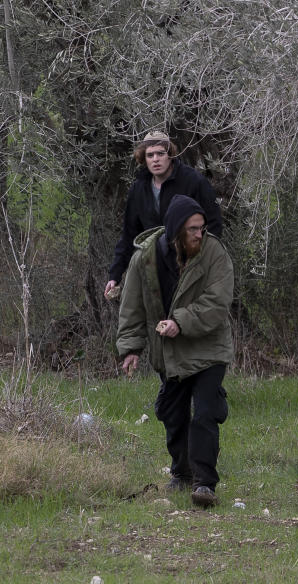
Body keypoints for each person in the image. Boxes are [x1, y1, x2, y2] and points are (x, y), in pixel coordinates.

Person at [116, 194, 234, 508]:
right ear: (176, 231)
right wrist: (131, 349)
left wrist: (180, 321)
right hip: (168, 351)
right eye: (193, 229)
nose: (200, 234)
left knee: (206, 413)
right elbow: (132, 307)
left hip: (209, 346)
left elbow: (218, 303)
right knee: (173, 414)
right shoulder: (145, 258)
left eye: (202, 227)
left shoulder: (214, 253)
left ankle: (205, 484)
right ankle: (181, 473)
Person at [104, 130, 223, 300]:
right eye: (150, 155)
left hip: (190, 264)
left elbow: (214, 226)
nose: (155, 159)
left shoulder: (193, 181)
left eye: (160, 153)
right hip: (153, 267)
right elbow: (129, 234)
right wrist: (115, 275)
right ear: (143, 158)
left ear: (171, 155)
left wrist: (200, 261)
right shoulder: (139, 189)